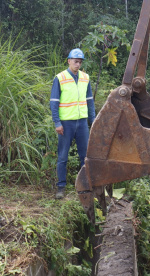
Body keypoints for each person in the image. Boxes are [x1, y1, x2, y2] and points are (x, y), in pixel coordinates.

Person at [50, 48, 96, 199]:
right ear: (69, 61)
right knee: (63, 156)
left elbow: (90, 101)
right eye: (75, 61)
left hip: (82, 123)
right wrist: (57, 122)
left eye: (80, 62)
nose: (78, 64)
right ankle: (61, 187)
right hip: (66, 123)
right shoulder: (60, 78)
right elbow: (54, 102)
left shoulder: (85, 77)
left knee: (85, 156)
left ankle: (85, 185)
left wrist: (93, 120)